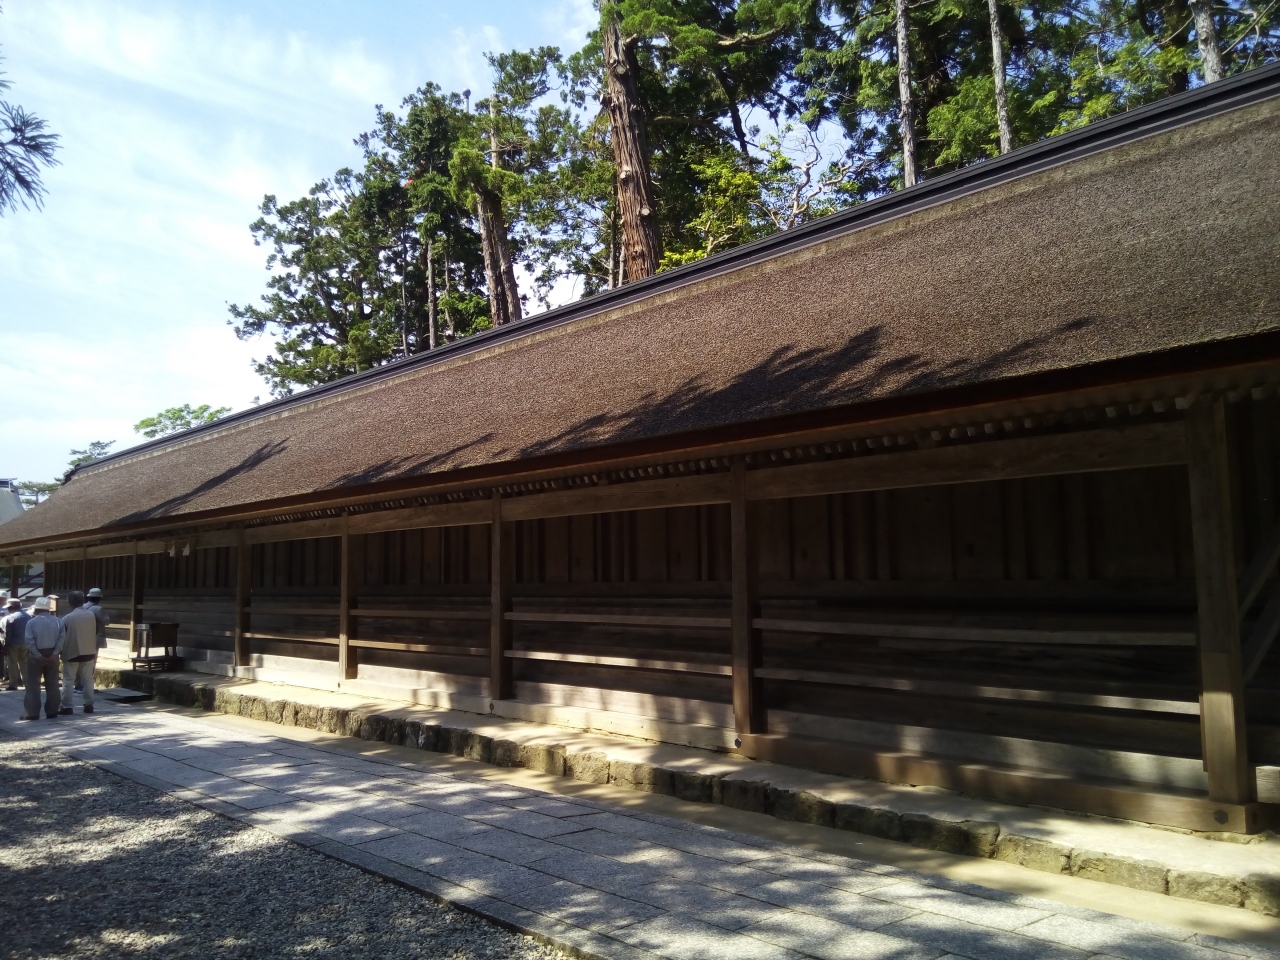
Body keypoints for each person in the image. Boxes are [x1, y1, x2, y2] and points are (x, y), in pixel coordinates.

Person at [22, 597, 64, 720]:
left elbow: (29, 641)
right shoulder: (58, 621)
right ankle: (52, 711)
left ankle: (32, 713)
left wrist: (38, 655)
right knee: (53, 684)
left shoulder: (31, 622)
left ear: (37, 609)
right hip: (53, 653)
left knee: (33, 685)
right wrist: (55, 654)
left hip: (36, 654)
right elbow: (61, 639)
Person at [59, 591, 98, 716]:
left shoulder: (67, 618)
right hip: (89, 651)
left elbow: (62, 636)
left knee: (68, 680)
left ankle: (67, 706)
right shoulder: (91, 615)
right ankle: (89, 704)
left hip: (72, 652)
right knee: (88, 680)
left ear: (70, 602)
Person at [1, 596, 28, 690]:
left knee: (12, 663)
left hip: (13, 643)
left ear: (12, 607)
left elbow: (8, 633)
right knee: (24, 663)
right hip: (26, 642)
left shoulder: (10, 617)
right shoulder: (28, 616)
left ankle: (13, 684)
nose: (8, 609)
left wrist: (5, 645)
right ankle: (27, 683)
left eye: (9, 607)